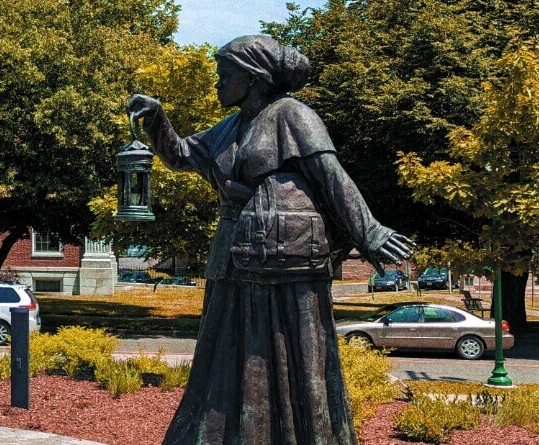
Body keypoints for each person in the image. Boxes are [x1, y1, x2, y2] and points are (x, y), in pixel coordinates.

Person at [127, 34, 412, 445]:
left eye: (225, 75)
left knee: (294, 354)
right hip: (233, 259)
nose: (217, 83)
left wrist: (370, 232)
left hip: (286, 260)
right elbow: (181, 155)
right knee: (227, 355)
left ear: (254, 77)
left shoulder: (292, 115)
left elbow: (332, 178)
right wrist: (157, 119)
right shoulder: (229, 128)